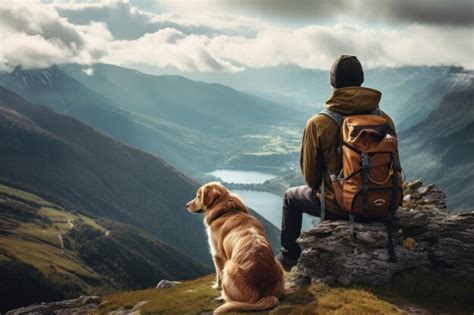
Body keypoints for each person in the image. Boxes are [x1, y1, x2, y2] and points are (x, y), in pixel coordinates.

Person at [275, 55, 398, 270]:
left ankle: (289, 259)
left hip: (340, 206)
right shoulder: (384, 118)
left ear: (333, 82)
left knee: (290, 198)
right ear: (361, 79)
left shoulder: (319, 122)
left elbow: (311, 179)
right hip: (385, 201)